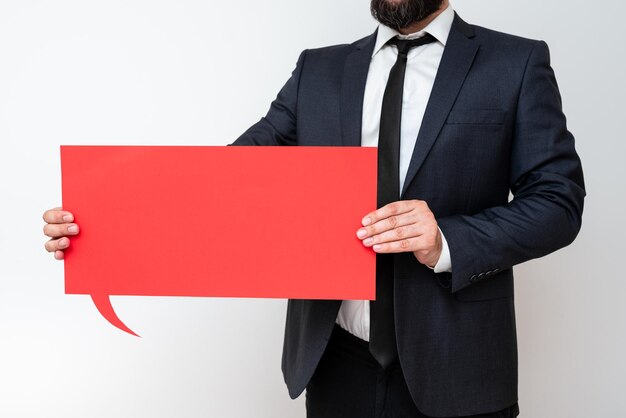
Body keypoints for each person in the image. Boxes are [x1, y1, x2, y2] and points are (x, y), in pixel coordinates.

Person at [42, 0, 586, 416]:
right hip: (335, 363)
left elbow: (558, 202)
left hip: (459, 366)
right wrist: (102, 222)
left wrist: (445, 238)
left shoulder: (514, 63)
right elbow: (221, 183)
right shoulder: (318, 71)